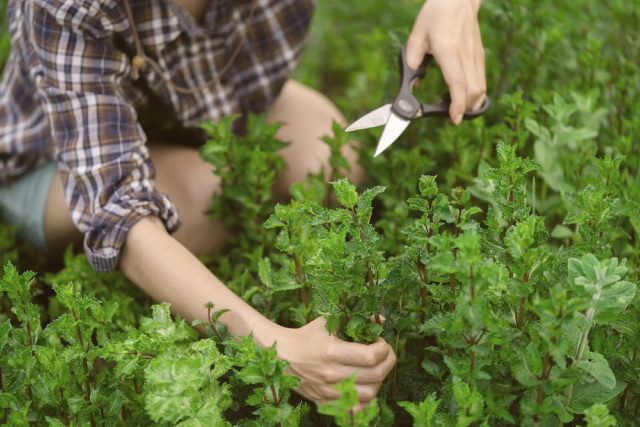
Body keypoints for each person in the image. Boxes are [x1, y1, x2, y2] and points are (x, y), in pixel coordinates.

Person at [0, 0, 486, 405]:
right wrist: (277, 348)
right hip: (56, 156)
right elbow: (123, 214)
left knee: (330, 160)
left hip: (203, 104)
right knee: (200, 198)